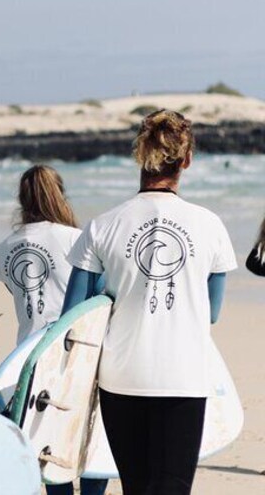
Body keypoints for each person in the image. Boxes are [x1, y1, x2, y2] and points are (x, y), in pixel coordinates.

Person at [63, 109, 236, 495]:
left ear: (139, 156)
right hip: (184, 377)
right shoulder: (210, 225)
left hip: (121, 377)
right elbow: (212, 312)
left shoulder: (103, 225)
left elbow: (73, 315)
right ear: (187, 160)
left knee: (136, 488)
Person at [0, 164, 107, 495]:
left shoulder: (4, 249)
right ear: (60, 194)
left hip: (29, 357)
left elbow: (22, 298)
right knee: (88, 443)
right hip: (77, 352)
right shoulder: (76, 238)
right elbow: (99, 297)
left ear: (21, 199)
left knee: (48, 450)